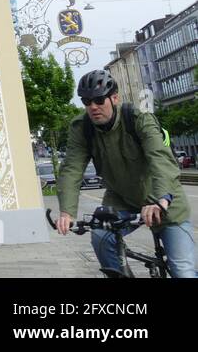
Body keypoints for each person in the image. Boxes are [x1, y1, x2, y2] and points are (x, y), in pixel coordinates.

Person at [55, 70, 195, 277]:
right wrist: (66, 211)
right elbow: (72, 169)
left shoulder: (139, 119)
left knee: (182, 271)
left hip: (165, 201)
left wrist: (160, 200)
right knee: (101, 236)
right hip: (121, 199)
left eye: (99, 100)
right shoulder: (82, 128)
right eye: (86, 101)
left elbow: (161, 159)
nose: (93, 106)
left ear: (114, 98)